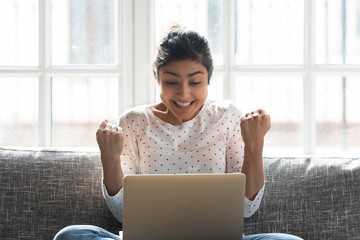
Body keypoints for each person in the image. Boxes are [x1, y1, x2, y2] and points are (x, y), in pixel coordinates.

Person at [54, 26, 302, 240]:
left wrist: (254, 144)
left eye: (195, 82)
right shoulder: (133, 121)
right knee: (73, 235)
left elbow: (247, 208)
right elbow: (122, 214)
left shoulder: (227, 116)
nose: (184, 94)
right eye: (171, 82)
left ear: (208, 79)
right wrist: (109, 158)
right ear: (157, 78)